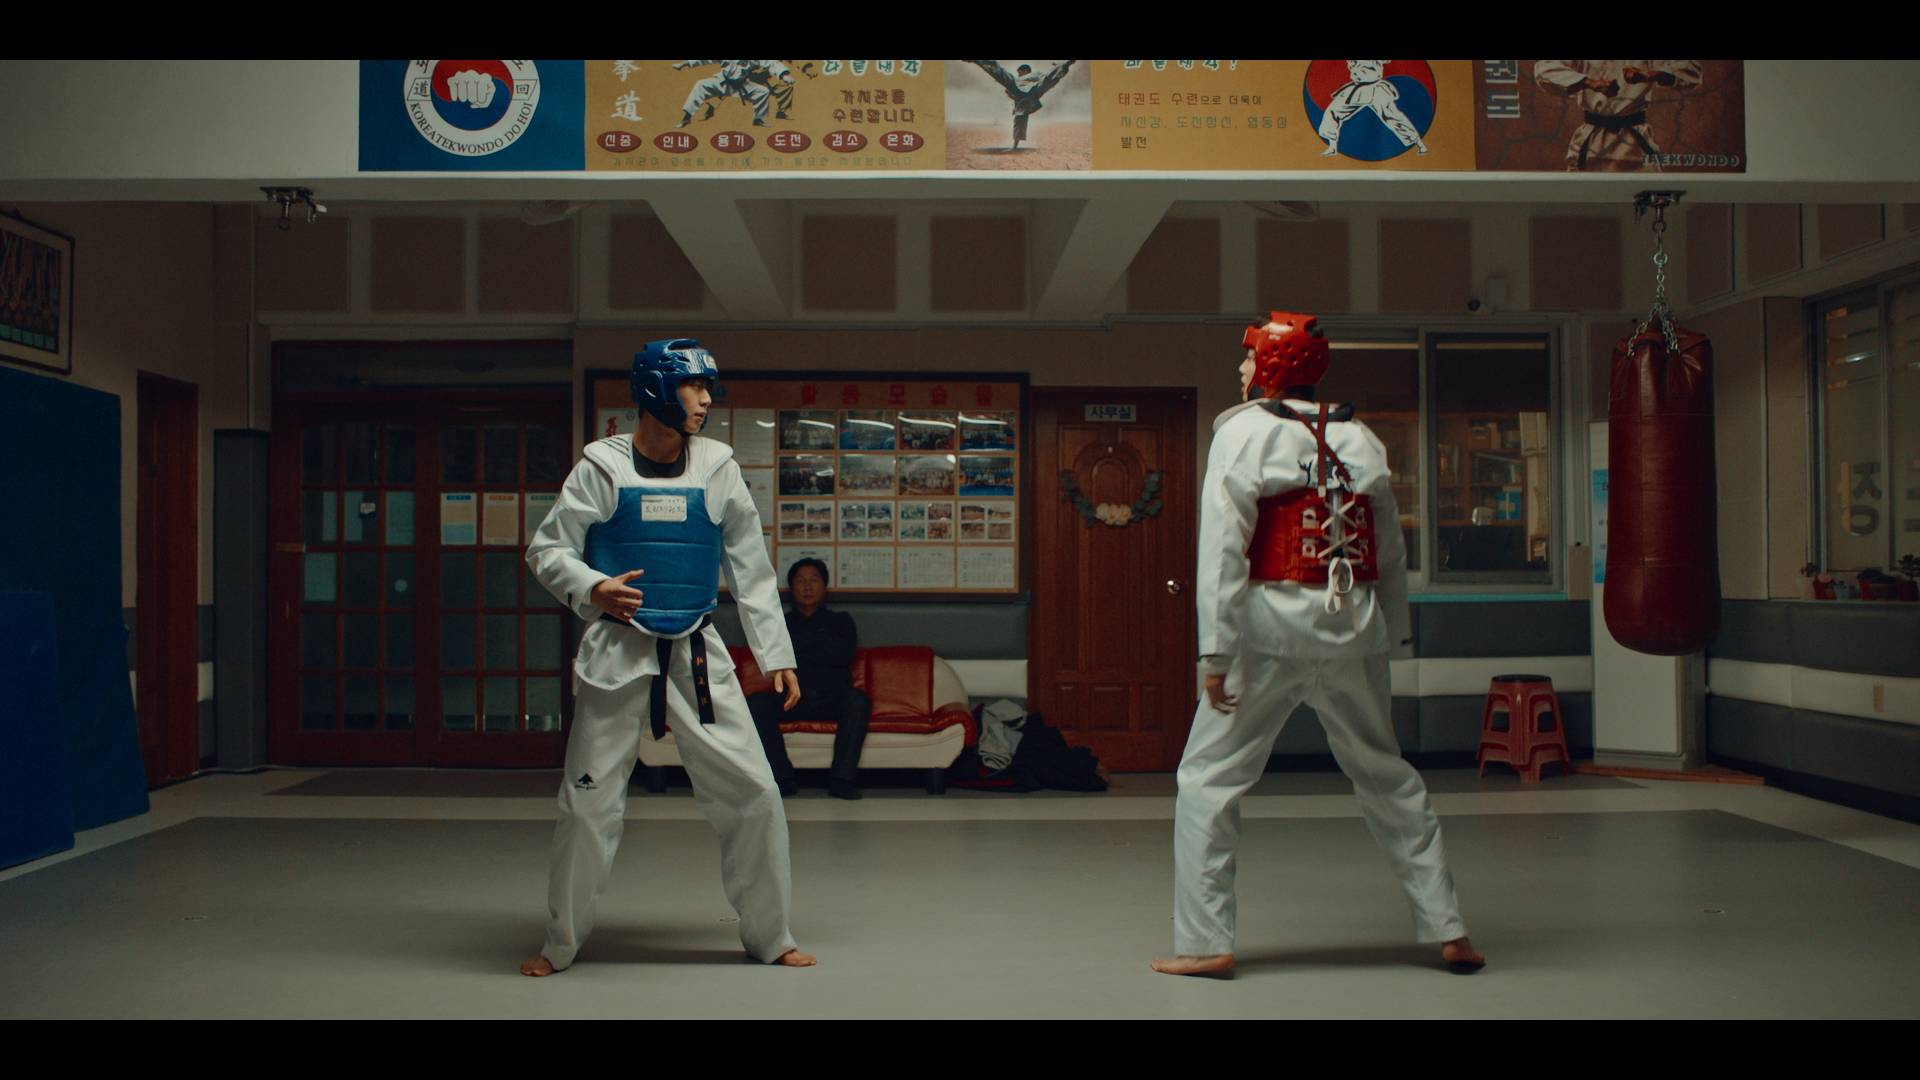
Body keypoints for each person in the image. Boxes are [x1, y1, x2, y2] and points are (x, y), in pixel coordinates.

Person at [1153, 312, 1484, 978]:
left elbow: (1222, 550)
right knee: (1386, 775)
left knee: (1208, 781)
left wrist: (1214, 654)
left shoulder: (1242, 434)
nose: (1242, 369)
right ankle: (1448, 928)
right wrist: (1396, 635)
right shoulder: (1360, 438)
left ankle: (1205, 943)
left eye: (1250, 358)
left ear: (1271, 366)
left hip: (1267, 632)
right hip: (1353, 629)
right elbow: (1390, 549)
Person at [520, 338, 815, 976]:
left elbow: (751, 568)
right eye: (693, 387)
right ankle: (560, 942)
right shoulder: (601, 467)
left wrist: (775, 654)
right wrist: (593, 587)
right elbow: (547, 550)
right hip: (617, 650)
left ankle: (771, 935)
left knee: (758, 792)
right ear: (656, 388)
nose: (706, 400)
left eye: (708, 387)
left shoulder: (717, 466)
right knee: (587, 804)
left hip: (696, 653)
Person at [747, 558, 872, 801]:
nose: (807, 587)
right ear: (791, 587)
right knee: (756, 703)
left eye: (814, 580)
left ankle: (841, 781)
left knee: (858, 700)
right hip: (791, 699)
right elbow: (773, 657)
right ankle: (782, 780)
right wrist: (821, 640)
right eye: (800, 581)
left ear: (824, 586)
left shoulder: (841, 620)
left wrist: (796, 649)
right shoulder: (780, 623)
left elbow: (842, 655)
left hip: (832, 698)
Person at [1533, 60, 1702, 172]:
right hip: (1592, 142)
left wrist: (1649, 75)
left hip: (1635, 145)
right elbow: (1544, 70)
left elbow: (1691, 69)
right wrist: (1590, 84)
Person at [1317, 60, 1428, 158]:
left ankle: (1419, 144)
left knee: (1392, 116)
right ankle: (1332, 147)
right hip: (1357, 88)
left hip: (1376, 88)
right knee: (1332, 111)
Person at [964, 59, 1076, 149]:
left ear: (1025, 70)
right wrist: (1011, 94)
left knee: (1047, 79)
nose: (1018, 74)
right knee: (1019, 119)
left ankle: (1066, 63)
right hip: (1021, 95)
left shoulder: (1034, 74)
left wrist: (1059, 68)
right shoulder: (1016, 80)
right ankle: (980, 61)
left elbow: (1045, 78)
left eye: (1019, 72)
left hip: (1032, 91)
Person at [674, 59, 795, 128]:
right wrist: (684, 64)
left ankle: (758, 119)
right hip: (722, 83)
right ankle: (686, 118)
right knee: (700, 85)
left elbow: (772, 63)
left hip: (741, 85)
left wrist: (784, 76)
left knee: (763, 92)